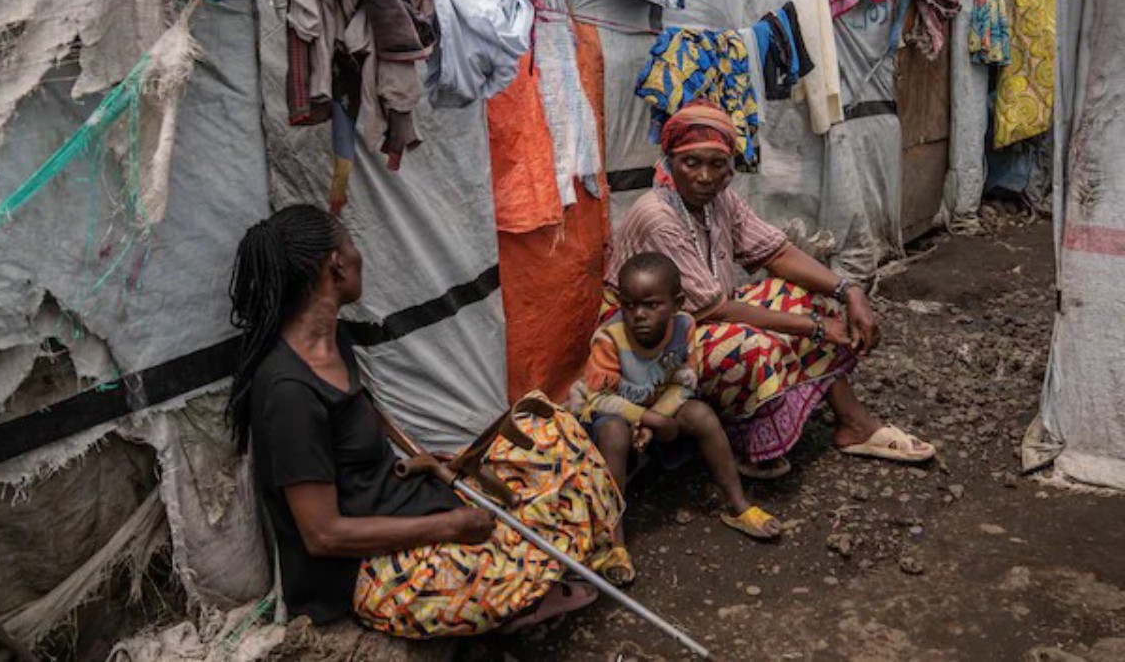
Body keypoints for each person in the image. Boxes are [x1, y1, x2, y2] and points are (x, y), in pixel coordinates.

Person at [227, 204, 622, 637]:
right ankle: (525, 600)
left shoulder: (333, 339)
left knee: (553, 433)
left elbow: (357, 429)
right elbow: (323, 535)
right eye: (352, 245)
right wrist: (449, 525)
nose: (360, 255)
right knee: (500, 554)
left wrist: (430, 460)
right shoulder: (288, 392)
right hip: (364, 569)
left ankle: (537, 580)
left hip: (403, 504)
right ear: (336, 265)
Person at [605, 100, 934, 478]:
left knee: (807, 298)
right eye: (691, 162)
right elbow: (714, 309)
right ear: (669, 161)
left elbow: (776, 252)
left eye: (717, 164)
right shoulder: (658, 216)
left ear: (731, 167)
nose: (704, 176)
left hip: (699, 323)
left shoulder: (719, 201)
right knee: (752, 347)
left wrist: (850, 292)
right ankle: (748, 440)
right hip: (649, 348)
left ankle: (853, 423)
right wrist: (816, 328)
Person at [571, 252, 781, 585]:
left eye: (651, 305)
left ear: (677, 303)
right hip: (611, 415)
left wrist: (657, 418)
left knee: (701, 414)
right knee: (614, 434)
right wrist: (648, 419)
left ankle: (737, 505)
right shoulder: (610, 339)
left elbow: (684, 382)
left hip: (659, 408)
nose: (639, 315)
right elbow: (598, 399)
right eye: (629, 305)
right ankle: (612, 541)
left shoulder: (684, 326)